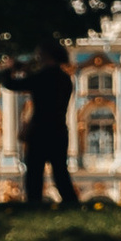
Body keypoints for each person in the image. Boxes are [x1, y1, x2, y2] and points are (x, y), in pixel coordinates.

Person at [20, 47, 79, 207]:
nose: (39, 58)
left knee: (34, 173)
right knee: (60, 173)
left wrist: (9, 69)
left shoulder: (43, 76)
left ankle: (34, 204)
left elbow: (13, 84)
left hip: (40, 131)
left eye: (41, 55)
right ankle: (72, 203)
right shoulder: (65, 78)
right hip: (59, 130)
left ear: (48, 56)